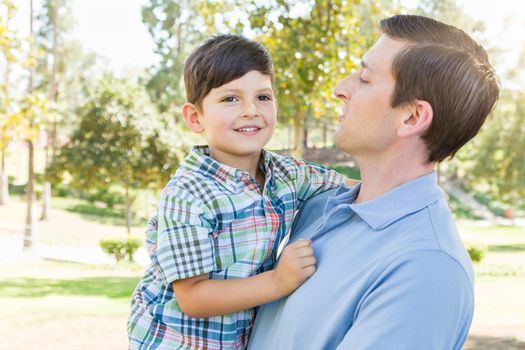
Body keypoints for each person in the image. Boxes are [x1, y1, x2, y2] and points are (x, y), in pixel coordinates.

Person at [249, 14, 499, 350]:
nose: (341, 89)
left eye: (364, 79)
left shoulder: (427, 269)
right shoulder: (321, 207)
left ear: (411, 117)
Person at [127, 34, 346, 349]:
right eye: (230, 99)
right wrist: (277, 281)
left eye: (263, 97)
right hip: (175, 342)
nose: (250, 110)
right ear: (195, 117)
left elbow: (345, 186)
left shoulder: (286, 175)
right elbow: (193, 297)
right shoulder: (188, 193)